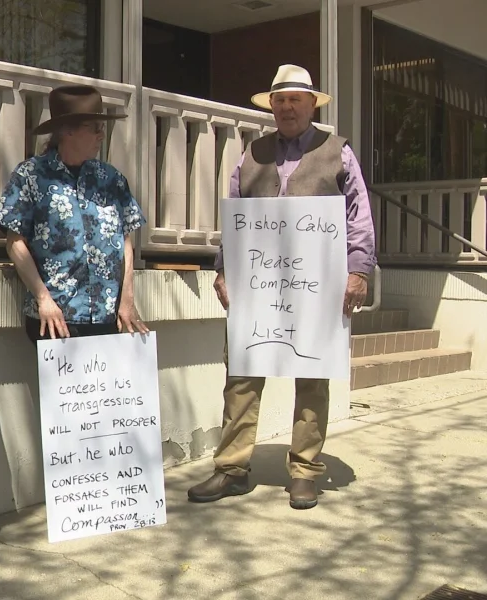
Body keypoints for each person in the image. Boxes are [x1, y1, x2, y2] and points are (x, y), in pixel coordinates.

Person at [187, 64, 376, 510]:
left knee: (312, 377)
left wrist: (359, 271)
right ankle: (231, 468)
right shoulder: (251, 154)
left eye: (296, 99)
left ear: (312, 104)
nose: (288, 107)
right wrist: (222, 269)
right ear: (271, 106)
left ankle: (305, 471)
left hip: (317, 285)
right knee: (241, 377)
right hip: (258, 283)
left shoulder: (338, 152)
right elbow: (233, 216)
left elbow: (358, 217)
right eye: (280, 100)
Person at [0, 84, 148, 342]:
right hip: (56, 319)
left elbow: (125, 240)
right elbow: (14, 242)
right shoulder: (31, 176)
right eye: (94, 128)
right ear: (67, 131)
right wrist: (43, 298)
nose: (101, 135)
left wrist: (127, 298)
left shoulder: (111, 179)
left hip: (108, 317)